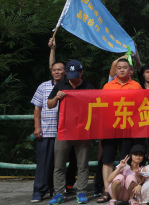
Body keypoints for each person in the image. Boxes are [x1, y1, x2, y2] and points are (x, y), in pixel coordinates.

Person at [47, 59, 95, 205]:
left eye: (76, 75)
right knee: (59, 164)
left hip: (83, 131)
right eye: (70, 75)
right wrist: (57, 97)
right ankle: (59, 193)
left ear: (81, 72)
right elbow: (49, 105)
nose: (72, 79)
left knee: (83, 164)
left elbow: (97, 107)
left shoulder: (89, 87)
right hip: (64, 131)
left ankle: (81, 192)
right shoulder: (60, 85)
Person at [99, 58, 142, 203]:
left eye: (125, 67)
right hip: (110, 128)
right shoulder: (107, 86)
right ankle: (107, 189)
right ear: (115, 70)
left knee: (125, 159)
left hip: (128, 128)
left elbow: (141, 105)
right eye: (119, 67)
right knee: (107, 159)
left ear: (130, 70)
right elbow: (102, 106)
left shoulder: (136, 85)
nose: (122, 70)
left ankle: (123, 189)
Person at [31, 39, 66, 203]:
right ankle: (38, 191)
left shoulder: (69, 86)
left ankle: (54, 189)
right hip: (46, 131)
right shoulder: (43, 86)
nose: (57, 72)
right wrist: (37, 127)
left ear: (65, 72)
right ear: (51, 72)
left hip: (63, 132)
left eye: (60, 70)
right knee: (43, 163)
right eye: (54, 70)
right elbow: (37, 108)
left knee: (58, 164)